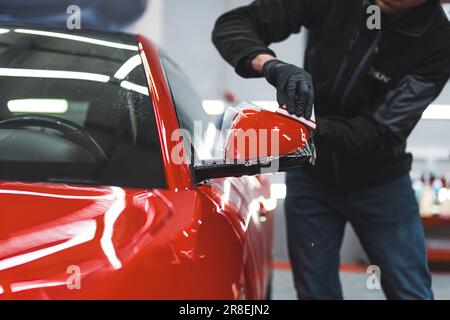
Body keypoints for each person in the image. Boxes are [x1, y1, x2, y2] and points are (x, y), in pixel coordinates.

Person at [212, 0, 450, 300]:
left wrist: (304, 128)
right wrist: (272, 66)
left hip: (381, 185)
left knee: (411, 292)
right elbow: (233, 24)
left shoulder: (438, 43)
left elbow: (380, 131)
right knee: (316, 293)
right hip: (312, 177)